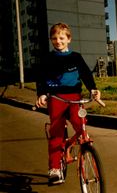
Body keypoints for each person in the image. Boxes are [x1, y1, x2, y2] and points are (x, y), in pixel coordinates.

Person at [35, 22, 101, 185]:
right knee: (56, 133)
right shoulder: (48, 59)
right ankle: (55, 168)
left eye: (61, 38)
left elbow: (86, 74)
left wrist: (93, 89)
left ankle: (81, 147)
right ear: (51, 40)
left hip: (75, 97)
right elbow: (41, 77)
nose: (58, 41)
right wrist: (42, 93)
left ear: (68, 39)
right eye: (54, 38)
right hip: (56, 98)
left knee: (81, 124)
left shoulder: (76, 57)